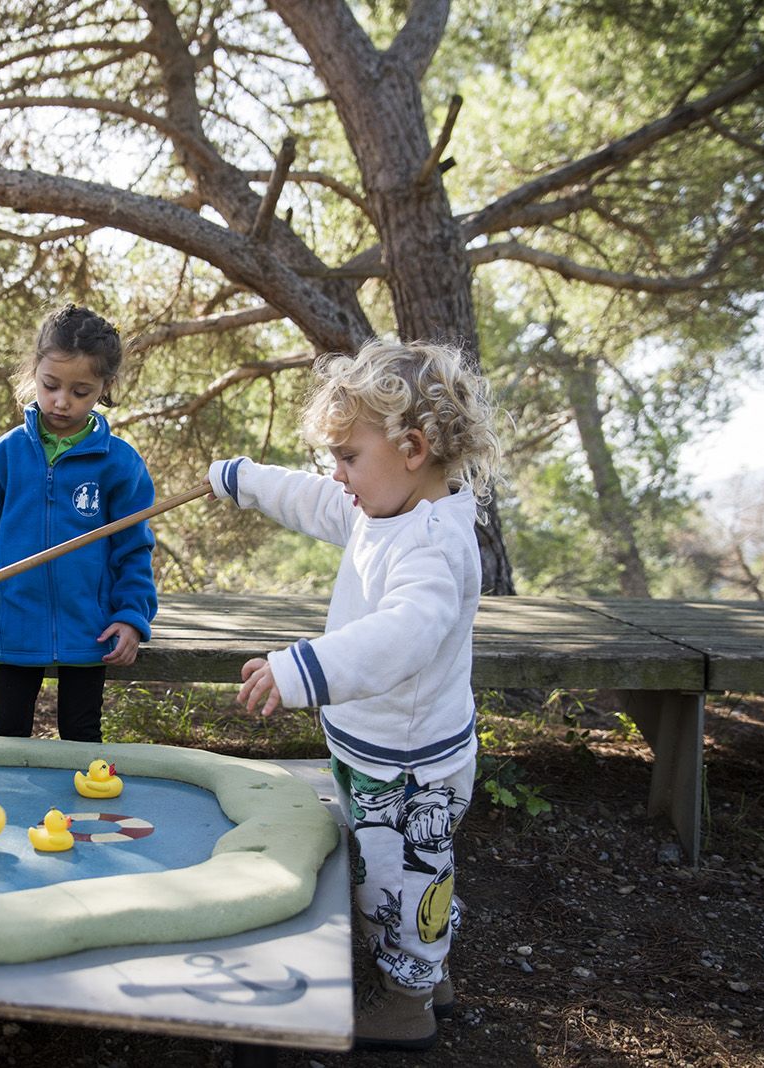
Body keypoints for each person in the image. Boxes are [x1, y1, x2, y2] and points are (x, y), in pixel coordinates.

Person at [205, 338, 501, 1052]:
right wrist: (244, 479)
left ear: (414, 446)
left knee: (389, 884)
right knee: (405, 875)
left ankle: (409, 1005)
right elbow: (313, 500)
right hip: (378, 750)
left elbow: (405, 634)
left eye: (348, 456)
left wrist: (303, 668)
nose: (336, 476)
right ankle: (429, 971)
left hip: (409, 768)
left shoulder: (433, 544)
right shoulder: (383, 508)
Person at [0, 304, 158, 743]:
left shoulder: (119, 464)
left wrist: (132, 616)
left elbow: (132, 550)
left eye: (81, 391)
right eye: (51, 385)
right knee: (7, 737)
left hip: (90, 627)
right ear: (34, 374)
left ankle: (80, 813)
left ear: (105, 387)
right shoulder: (5, 454)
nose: (62, 401)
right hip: (16, 624)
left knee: (82, 738)